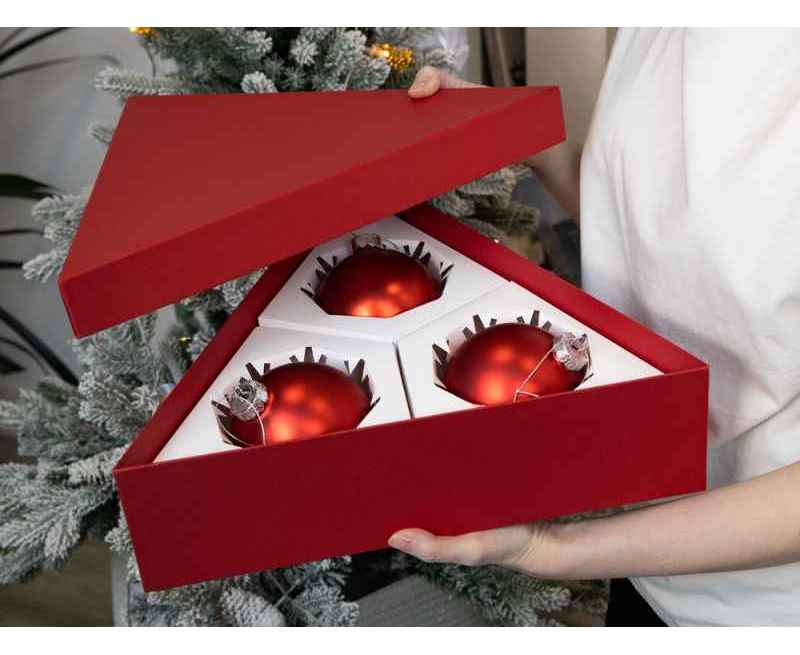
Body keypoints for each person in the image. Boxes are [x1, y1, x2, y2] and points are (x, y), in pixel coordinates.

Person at [387, 28, 800, 627]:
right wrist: (530, 139)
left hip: (762, 606)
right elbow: (655, 232)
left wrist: (554, 549)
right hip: (646, 551)